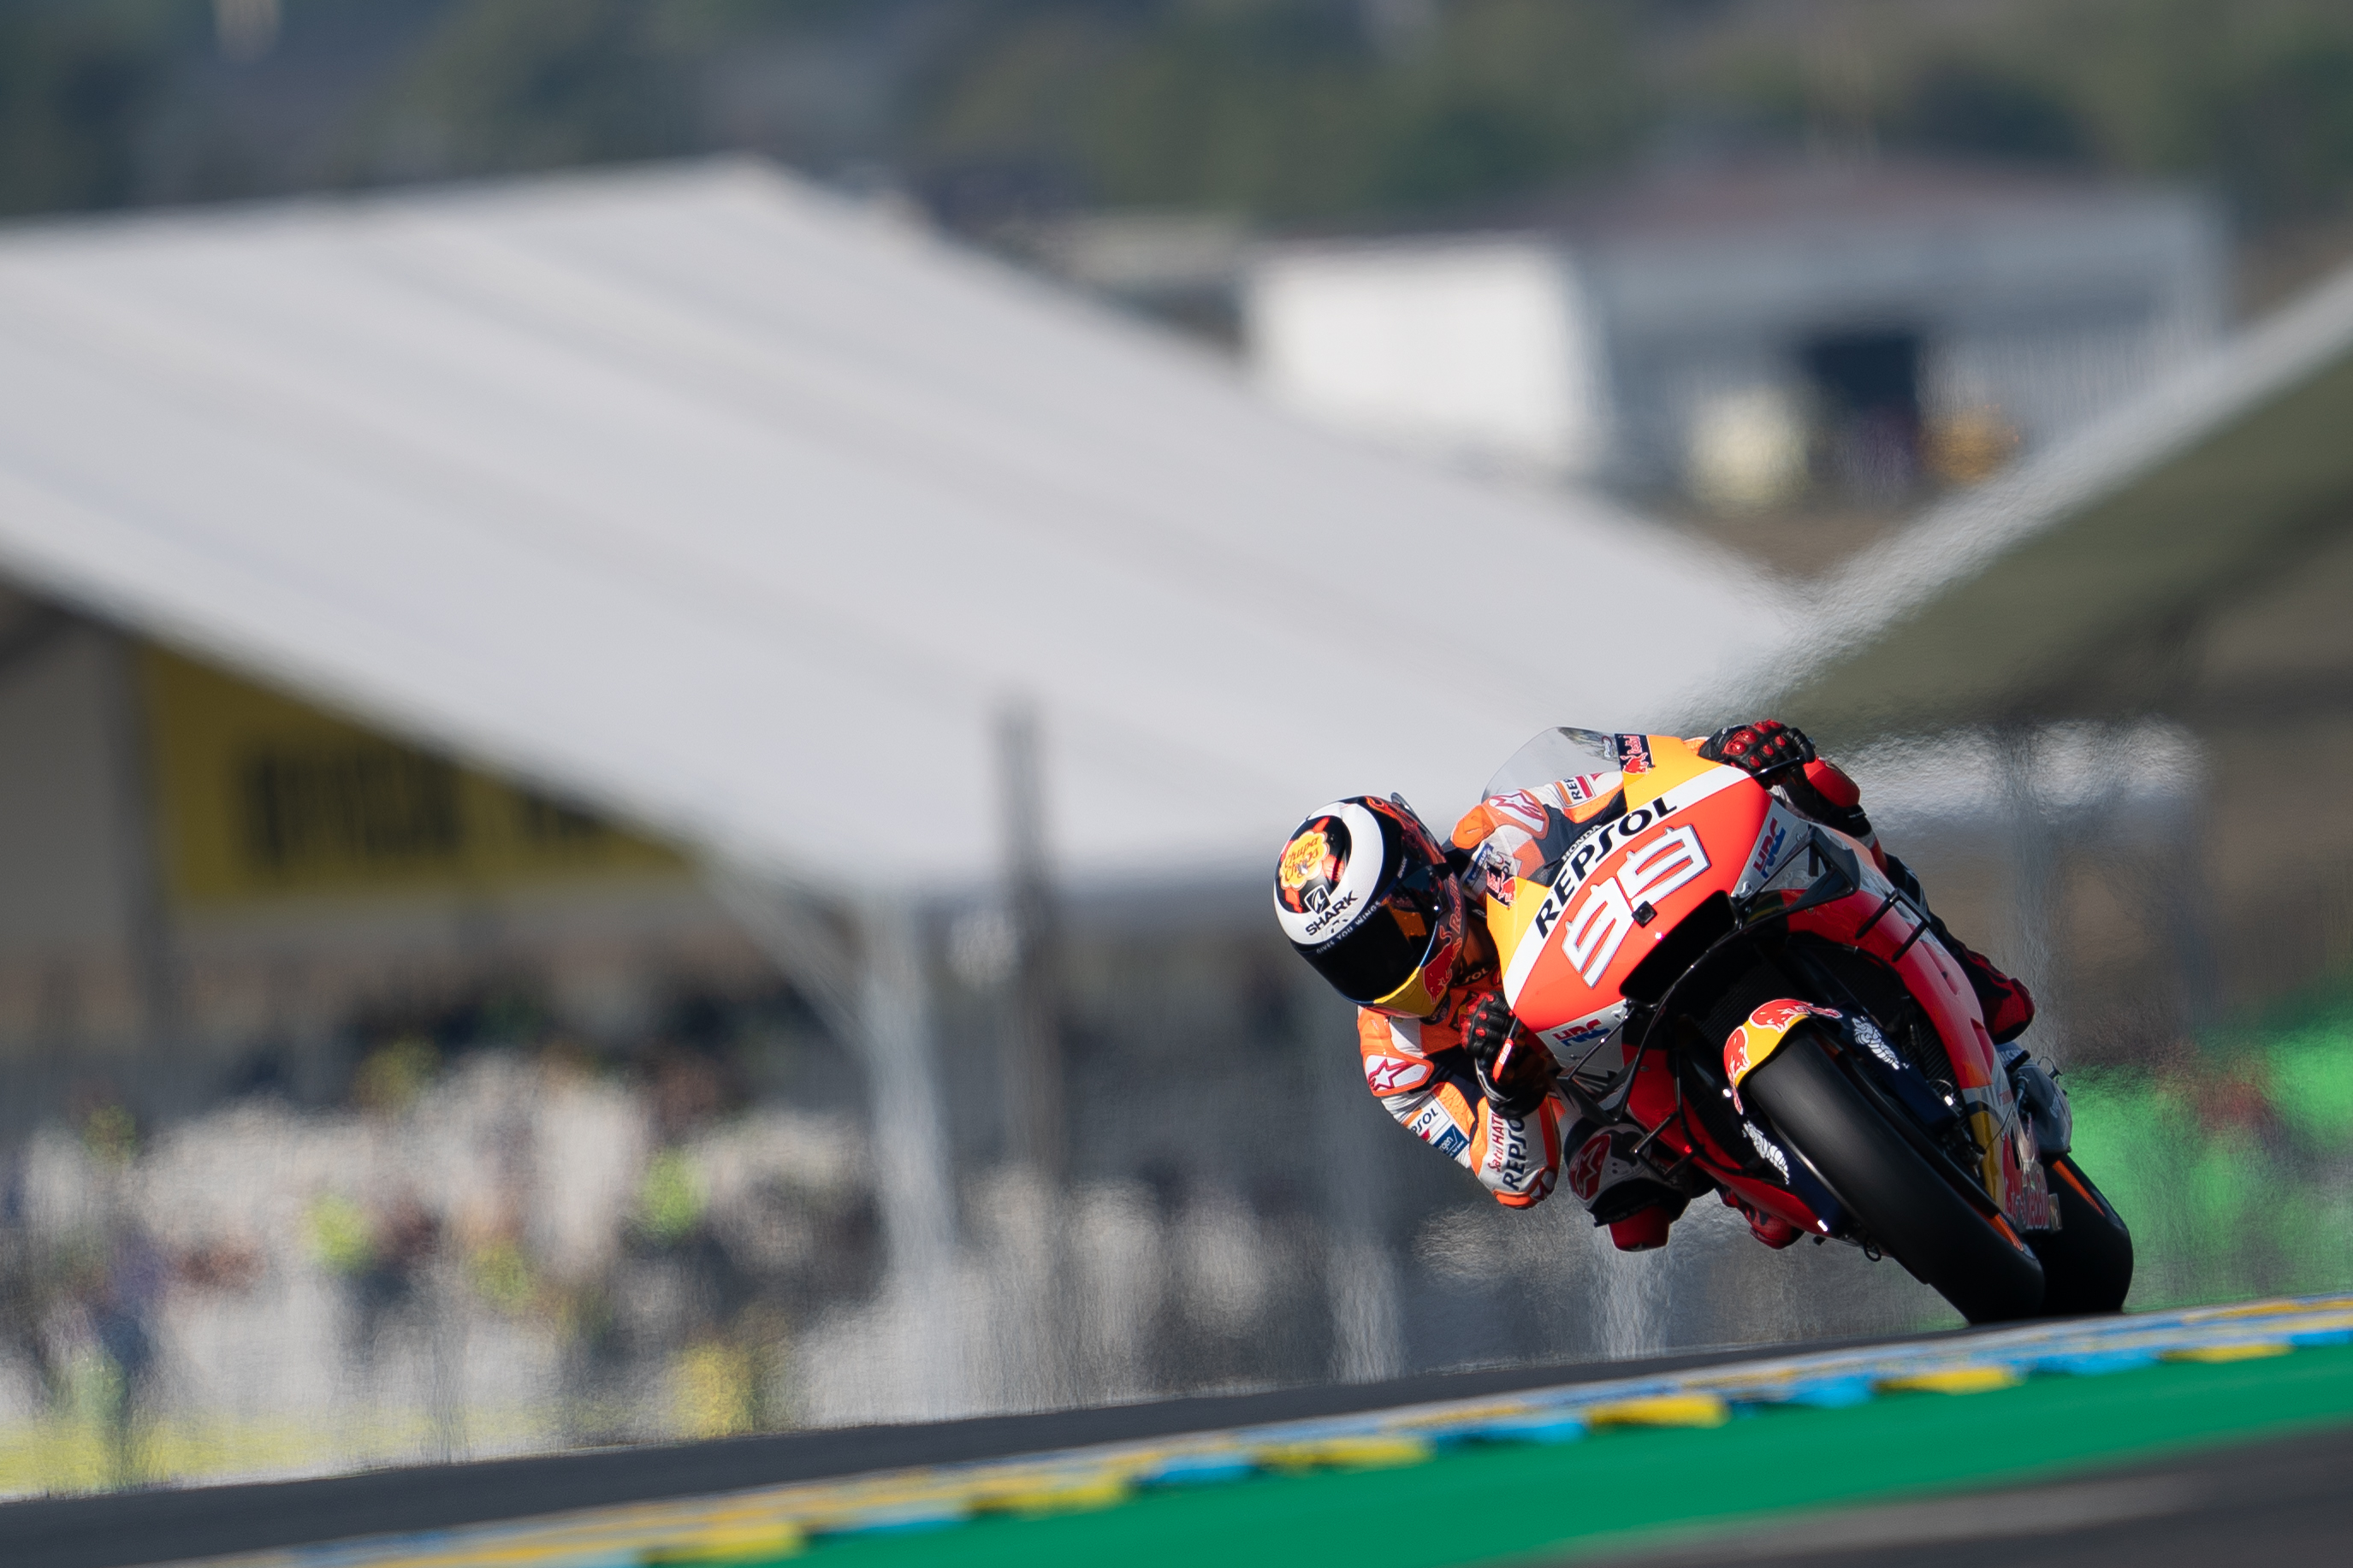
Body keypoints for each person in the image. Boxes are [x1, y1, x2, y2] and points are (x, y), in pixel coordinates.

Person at [1271, 720, 2035, 1251]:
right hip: (1598, 1087)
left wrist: (1724, 750)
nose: (1381, 971)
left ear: (1422, 875)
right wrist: (1508, 1095)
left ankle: (1958, 963)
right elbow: (1513, 1175)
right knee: (1620, 1198)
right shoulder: (1395, 1058)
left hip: (1645, 930)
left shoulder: (1500, 830)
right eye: (1349, 962)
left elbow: (1631, 770)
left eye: (1386, 936)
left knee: (1809, 783)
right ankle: (1750, 1169)